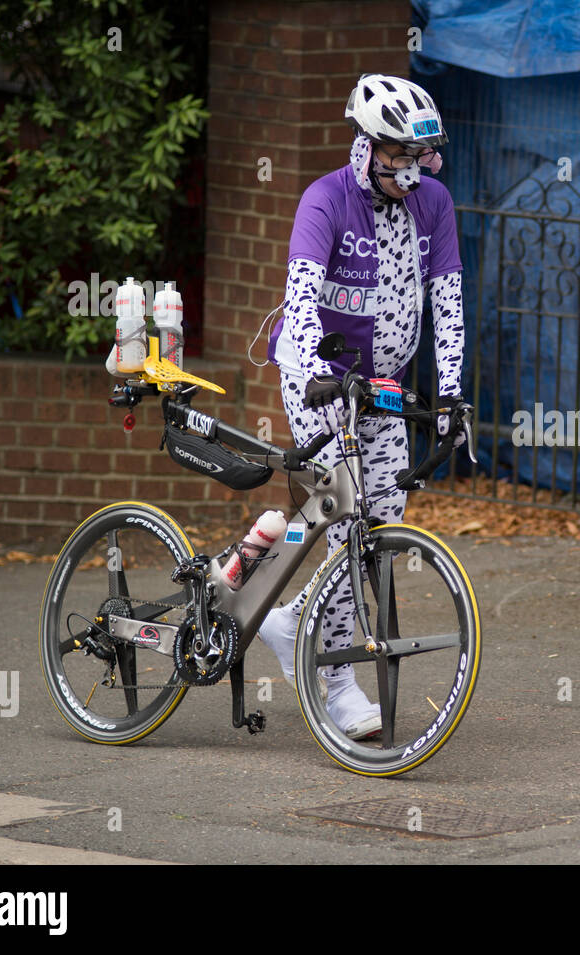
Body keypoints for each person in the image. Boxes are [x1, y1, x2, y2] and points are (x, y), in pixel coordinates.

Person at [257, 74, 466, 739]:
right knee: (348, 516)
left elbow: (449, 304)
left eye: (420, 155)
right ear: (369, 144)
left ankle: (290, 616)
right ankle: (336, 679)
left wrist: (453, 392)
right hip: (317, 376)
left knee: (382, 520)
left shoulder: (434, 203)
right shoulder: (325, 201)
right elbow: (301, 296)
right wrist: (320, 370)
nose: (414, 168)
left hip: (382, 385)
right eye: (400, 154)